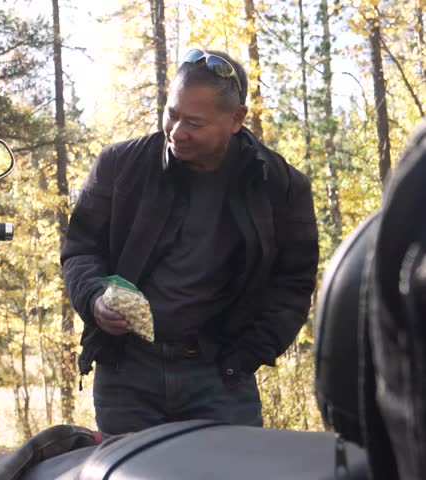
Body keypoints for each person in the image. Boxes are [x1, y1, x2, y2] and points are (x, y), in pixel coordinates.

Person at [61, 49, 319, 435]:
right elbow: (80, 250)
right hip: (128, 376)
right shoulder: (120, 166)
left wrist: (248, 354)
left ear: (236, 119)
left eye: (194, 123)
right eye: (172, 114)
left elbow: (293, 284)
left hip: (221, 380)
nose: (177, 132)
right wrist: (95, 298)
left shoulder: (280, 187)